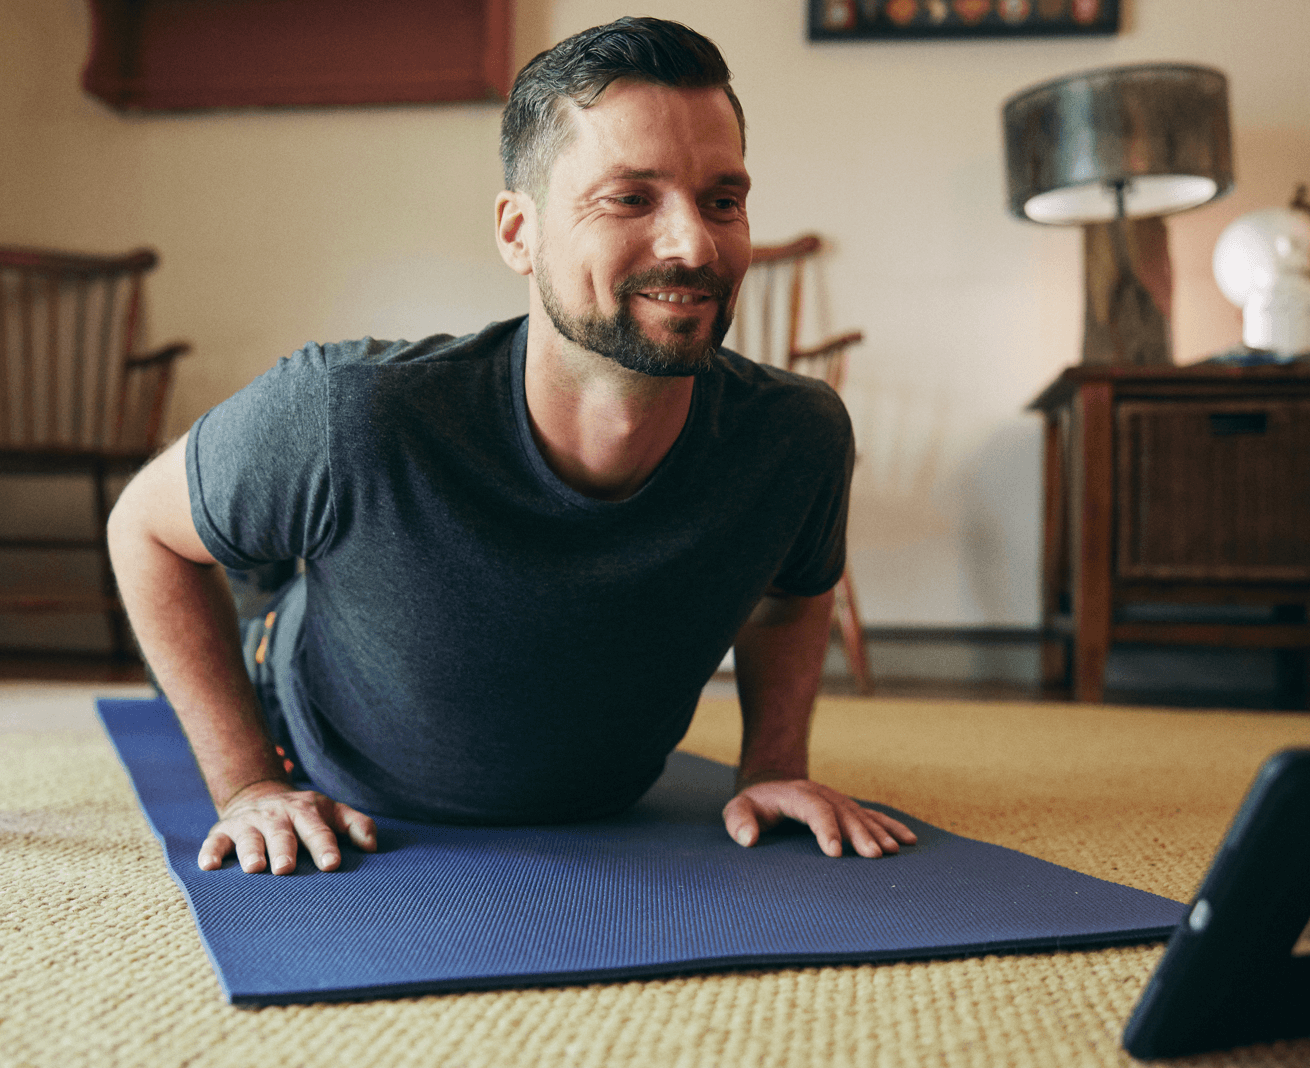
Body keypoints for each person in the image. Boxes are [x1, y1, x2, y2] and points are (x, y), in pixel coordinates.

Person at [106, 17, 915, 877]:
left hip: (599, 797)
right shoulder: (349, 412)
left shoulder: (796, 435)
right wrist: (246, 786)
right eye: (631, 198)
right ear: (517, 233)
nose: (695, 245)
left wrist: (775, 766)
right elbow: (144, 529)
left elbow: (793, 596)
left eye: (723, 200)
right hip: (305, 710)